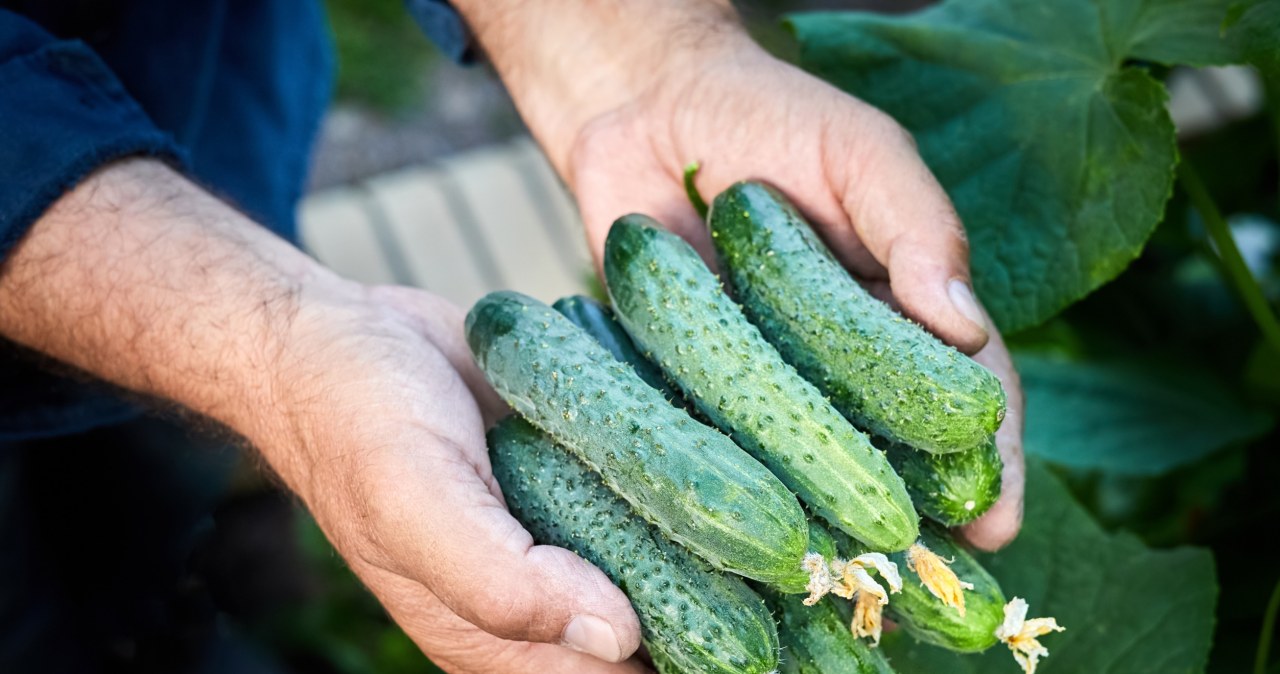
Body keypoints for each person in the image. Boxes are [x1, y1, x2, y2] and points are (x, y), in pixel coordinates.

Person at [0, 1, 1025, 672]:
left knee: (146, 507)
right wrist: (271, 347)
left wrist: (635, 50)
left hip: (191, 95)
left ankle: (173, 603)